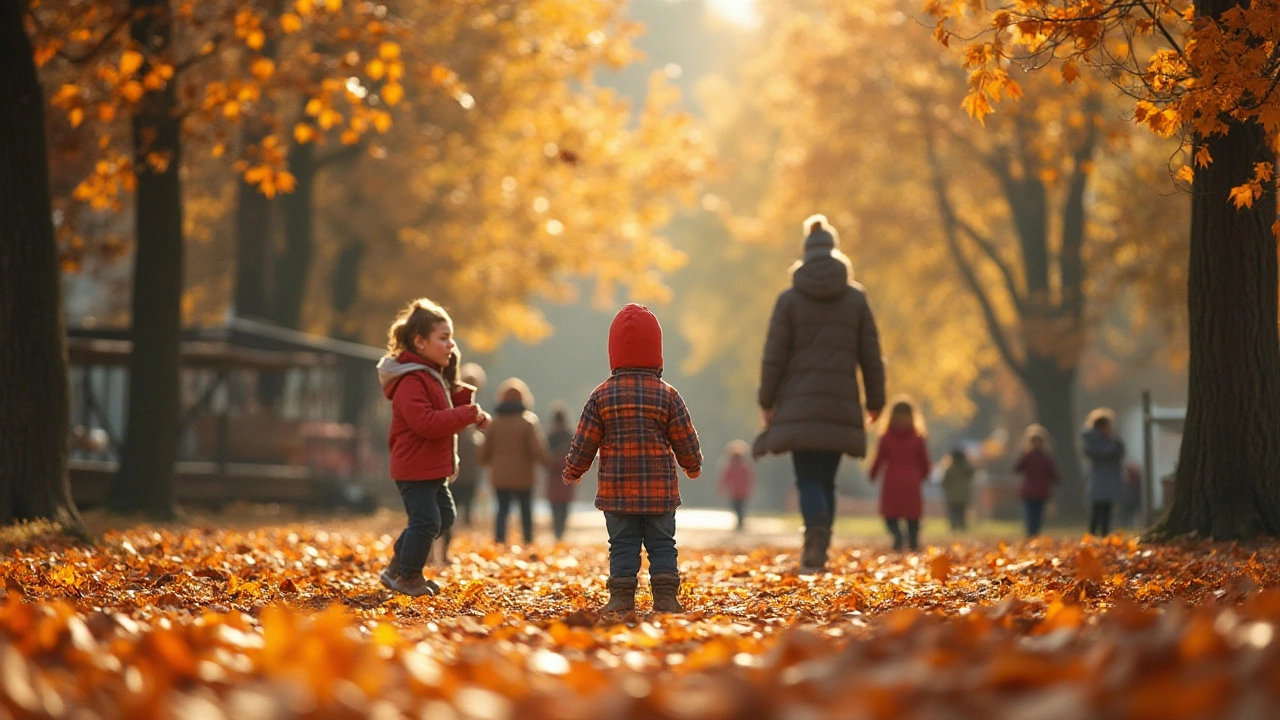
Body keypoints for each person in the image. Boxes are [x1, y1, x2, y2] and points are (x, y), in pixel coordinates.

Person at [754, 214, 886, 572]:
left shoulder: (789, 300)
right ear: (835, 251)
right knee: (827, 478)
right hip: (841, 405)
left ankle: (814, 540)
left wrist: (767, 401)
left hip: (798, 405)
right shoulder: (856, 299)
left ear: (806, 253)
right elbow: (871, 356)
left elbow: (773, 356)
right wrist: (876, 402)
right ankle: (820, 544)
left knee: (808, 476)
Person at [562, 304, 702, 614]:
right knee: (663, 544)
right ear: (657, 352)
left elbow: (585, 440)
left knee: (622, 545)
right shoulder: (668, 395)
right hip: (660, 492)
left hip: (617, 491)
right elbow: (684, 437)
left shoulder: (601, 396)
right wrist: (692, 465)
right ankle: (666, 599)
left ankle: (621, 599)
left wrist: (574, 469)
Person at [375, 298, 491, 597]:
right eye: (443, 338)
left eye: (451, 337)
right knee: (426, 521)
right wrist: (464, 414)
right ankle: (408, 576)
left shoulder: (430, 376)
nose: (451, 344)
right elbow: (426, 422)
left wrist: (469, 410)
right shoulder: (411, 380)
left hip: (432, 468)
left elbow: (443, 409)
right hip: (414, 467)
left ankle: (395, 568)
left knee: (443, 519)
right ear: (419, 342)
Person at [480, 377, 550, 545]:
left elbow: (483, 453)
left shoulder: (494, 423)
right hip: (524, 475)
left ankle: (499, 540)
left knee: (502, 509)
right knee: (525, 510)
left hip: (500, 476)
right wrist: (547, 462)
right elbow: (537, 449)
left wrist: (486, 462)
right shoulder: (528, 421)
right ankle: (527, 540)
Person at [434, 352, 483, 564]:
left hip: (462, 467)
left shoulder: (464, 401)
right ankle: (436, 554)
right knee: (444, 514)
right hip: (453, 464)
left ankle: (440, 554)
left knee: (447, 514)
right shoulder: (455, 398)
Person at [868, 399, 932, 552]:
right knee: (913, 515)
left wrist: (873, 474)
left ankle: (898, 536)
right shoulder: (918, 439)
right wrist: (923, 475)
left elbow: (879, 459)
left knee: (890, 514)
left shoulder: (886, 437)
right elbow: (925, 462)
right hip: (912, 479)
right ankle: (913, 541)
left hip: (892, 479)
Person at [1082, 408, 1125, 537]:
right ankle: (1093, 534)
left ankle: (1104, 534)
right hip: (1099, 478)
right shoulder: (1092, 442)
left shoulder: (1113, 440)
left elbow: (1120, 452)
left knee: (1107, 509)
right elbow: (1103, 453)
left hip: (1109, 478)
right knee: (1097, 509)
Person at [1014, 424, 1059, 538]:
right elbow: (1054, 474)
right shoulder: (1046, 457)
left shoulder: (1027, 456)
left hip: (1028, 490)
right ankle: (1035, 534)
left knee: (1029, 513)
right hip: (1042, 490)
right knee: (1038, 514)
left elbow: (1017, 469)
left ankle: (1030, 533)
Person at [544, 401, 575, 542]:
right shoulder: (570, 436)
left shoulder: (549, 437)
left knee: (555, 507)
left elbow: (544, 457)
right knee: (564, 507)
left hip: (554, 476)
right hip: (567, 474)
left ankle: (557, 532)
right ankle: (560, 532)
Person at [718, 440, 756, 531]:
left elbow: (725, 478)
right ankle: (740, 522)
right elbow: (750, 478)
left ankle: (740, 522)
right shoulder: (744, 466)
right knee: (740, 507)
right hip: (741, 491)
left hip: (736, 491)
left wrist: (722, 488)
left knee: (737, 507)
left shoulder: (732, 466)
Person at [941, 448, 974, 532]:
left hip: (952, 496)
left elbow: (944, 483)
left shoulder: (950, 470)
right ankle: (962, 528)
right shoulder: (967, 469)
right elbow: (973, 473)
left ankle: (954, 528)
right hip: (963, 496)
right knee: (962, 513)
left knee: (953, 513)